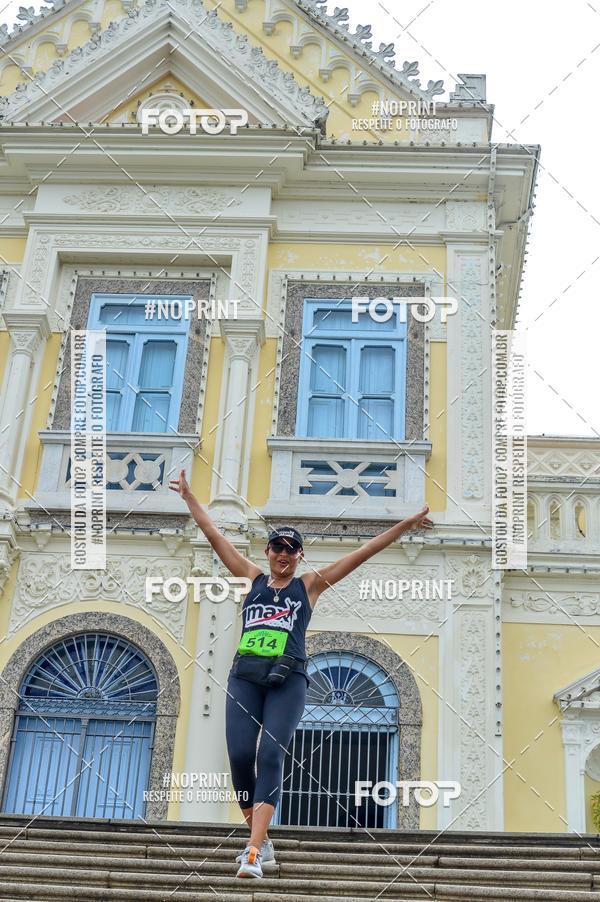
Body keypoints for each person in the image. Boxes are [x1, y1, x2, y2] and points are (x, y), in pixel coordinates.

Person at [169, 469, 433, 878]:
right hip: (246, 677)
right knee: (240, 757)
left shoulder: (308, 586)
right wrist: (190, 498)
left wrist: (405, 525)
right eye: (278, 547)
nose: (284, 554)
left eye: (292, 549)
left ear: (299, 556)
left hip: (288, 680)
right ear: (268, 551)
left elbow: (362, 553)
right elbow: (214, 534)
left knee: (270, 754)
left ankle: (252, 851)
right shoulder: (252, 578)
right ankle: (262, 840)